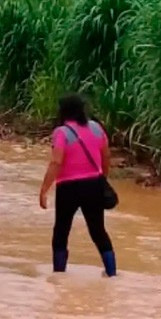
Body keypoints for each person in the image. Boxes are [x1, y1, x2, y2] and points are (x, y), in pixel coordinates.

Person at [38, 93, 116, 277]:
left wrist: (44, 190)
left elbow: (56, 162)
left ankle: (59, 275)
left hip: (68, 187)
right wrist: (102, 178)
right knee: (98, 231)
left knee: (61, 230)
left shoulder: (61, 132)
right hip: (93, 184)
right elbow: (106, 156)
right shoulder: (96, 128)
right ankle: (112, 273)